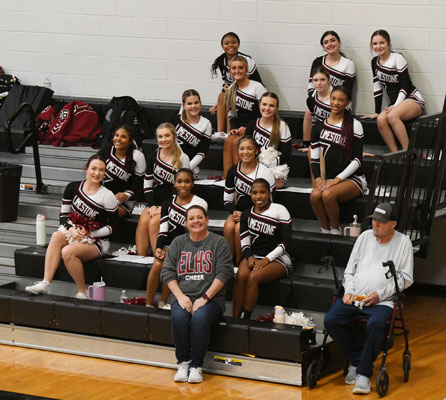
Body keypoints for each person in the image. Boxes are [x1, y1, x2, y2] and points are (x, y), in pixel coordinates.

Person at [324, 202, 413, 395]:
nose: (375, 224)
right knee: (331, 320)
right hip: (356, 297)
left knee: (375, 324)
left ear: (393, 224)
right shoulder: (364, 237)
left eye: (381, 222)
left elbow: (406, 278)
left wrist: (380, 295)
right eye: (373, 220)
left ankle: (363, 373)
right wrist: (348, 291)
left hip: (383, 301)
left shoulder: (404, 242)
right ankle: (358, 360)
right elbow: (349, 270)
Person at [25, 155, 119, 298]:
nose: (97, 173)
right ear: (86, 169)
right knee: (56, 236)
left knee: (67, 252)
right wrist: (71, 229)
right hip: (74, 233)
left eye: (101, 170)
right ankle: (46, 283)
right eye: (93, 169)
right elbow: (63, 216)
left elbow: (114, 226)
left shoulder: (107, 196)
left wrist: (90, 234)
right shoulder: (72, 187)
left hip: (97, 241)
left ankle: (82, 292)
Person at [160, 205, 233, 384]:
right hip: (183, 296)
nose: (196, 221)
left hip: (211, 299)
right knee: (179, 317)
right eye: (191, 218)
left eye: (200, 217)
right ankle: (183, 362)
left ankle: (196, 366)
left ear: (207, 220)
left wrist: (205, 298)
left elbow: (224, 273)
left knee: (199, 319)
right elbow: (167, 272)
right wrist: (180, 296)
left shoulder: (219, 242)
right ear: (186, 223)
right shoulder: (178, 242)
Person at [145, 169, 208, 309]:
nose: (183, 185)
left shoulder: (200, 203)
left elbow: (196, 232)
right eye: (179, 181)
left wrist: (172, 251)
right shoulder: (168, 203)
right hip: (169, 246)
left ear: (192, 184)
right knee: (157, 264)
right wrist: (158, 248)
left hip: (191, 247)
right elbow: (163, 230)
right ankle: (148, 305)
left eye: (187, 181)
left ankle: (163, 301)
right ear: (174, 184)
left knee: (172, 264)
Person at [310, 87, 368, 235]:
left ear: (347, 103)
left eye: (341, 100)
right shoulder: (318, 127)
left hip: (353, 178)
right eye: (333, 98)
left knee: (327, 194)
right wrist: (318, 178)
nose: (336, 103)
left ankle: (335, 230)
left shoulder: (354, 125)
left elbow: (357, 160)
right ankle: (325, 229)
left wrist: (337, 180)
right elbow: (315, 159)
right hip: (329, 179)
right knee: (315, 195)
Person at [233, 179, 292, 319]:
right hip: (254, 255)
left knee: (253, 277)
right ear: (250, 194)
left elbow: (286, 242)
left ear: (269, 193)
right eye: (254, 193)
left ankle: (245, 318)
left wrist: (267, 259)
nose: (258, 196)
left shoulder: (280, 210)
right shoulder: (246, 214)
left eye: (262, 192)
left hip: (278, 258)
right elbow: (244, 240)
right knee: (240, 276)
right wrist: (249, 257)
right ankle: (235, 319)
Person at [362, 30, 424, 152]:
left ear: (388, 43)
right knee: (381, 119)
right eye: (375, 44)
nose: (378, 46)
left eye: (382, 43)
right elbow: (377, 88)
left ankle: (409, 154)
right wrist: (377, 111)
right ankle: (395, 154)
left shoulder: (397, 58)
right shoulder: (374, 62)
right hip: (395, 104)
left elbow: (405, 85)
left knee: (392, 116)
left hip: (412, 98)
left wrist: (395, 106)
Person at [135, 123, 190, 256]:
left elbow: (184, 189)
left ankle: (158, 259)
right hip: (156, 200)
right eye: (160, 137)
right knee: (143, 221)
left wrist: (163, 207)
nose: (163, 139)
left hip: (175, 202)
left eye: (167, 136)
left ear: (174, 137)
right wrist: (152, 205)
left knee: (154, 222)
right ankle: (140, 258)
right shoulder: (153, 156)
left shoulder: (183, 158)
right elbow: (147, 184)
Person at [224, 136, 275, 264]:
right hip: (239, 210)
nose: (245, 152)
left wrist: (246, 216)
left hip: (259, 211)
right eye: (242, 149)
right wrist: (235, 212)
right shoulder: (233, 170)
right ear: (237, 151)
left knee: (238, 228)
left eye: (249, 148)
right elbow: (227, 199)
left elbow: (270, 203)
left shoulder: (265, 172)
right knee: (228, 226)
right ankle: (229, 262)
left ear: (256, 151)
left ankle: (240, 262)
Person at [223, 55, 267, 177]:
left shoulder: (257, 87)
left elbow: (266, 114)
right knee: (228, 141)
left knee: (238, 143)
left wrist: (248, 129)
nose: (237, 71)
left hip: (257, 128)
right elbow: (231, 113)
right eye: (234, 68)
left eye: (241, 68)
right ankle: (228, 178)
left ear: (246, 69)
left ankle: (241, 177)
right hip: (240, 128)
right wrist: (234, 128)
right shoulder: (231, 89)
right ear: (230, 71)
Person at [210, 32, 262, 135]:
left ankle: (229, 132)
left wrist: (232, 92)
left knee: (228, 98)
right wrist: (219, 104)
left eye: (234, 42)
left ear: (238, 44)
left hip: (248, 95)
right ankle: (220, 133)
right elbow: (227, 84)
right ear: (222, 46)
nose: (230, 45)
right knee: (222, 96)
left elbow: (256, 81)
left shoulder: (246, 60)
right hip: (233, 93)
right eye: (226, 43)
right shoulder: (221, 60)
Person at [98, 124, 146, 218]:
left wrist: (124, 195)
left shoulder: (138, 156)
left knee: (106, 216)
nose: (118, 139)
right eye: (116, 135)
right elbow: (95, 176)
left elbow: (137, 184)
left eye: (123, 137)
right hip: (103, 195)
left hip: (125, 200)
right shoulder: (106, 150)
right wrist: (108, 196)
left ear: (131, 141)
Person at [245, 92, 292, 188]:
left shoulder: (282, 126)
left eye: (271, 106)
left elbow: (286, 155)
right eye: (264, 104)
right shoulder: (251, 124)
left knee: (261, 185)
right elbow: (246, 149)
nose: (267, 108)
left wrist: (266, 163)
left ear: (276, 108)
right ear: (259, 105)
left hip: (276, 170)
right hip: (254, 166)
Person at [174, 89, 212, 176]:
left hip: (190, 167)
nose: (193, 106)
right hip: (171, 163)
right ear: (183, 106)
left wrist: (186, 169)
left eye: (196, 102)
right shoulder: (177, 118)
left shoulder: (206, 124)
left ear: (200, 103)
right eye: (189, 103)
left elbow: (202, 152)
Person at [308, 31, 356, 96]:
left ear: (339, 42)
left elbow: (348, 92)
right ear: (323, 46)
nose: (330, 44)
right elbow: (311, 86)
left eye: (333, 40)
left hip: (338, 101)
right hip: (318, 100)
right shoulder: (317, 62)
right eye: (326, 42)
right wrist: (315, 100)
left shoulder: (348, 64)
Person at [302, 66, 332, 151]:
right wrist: (313, 145)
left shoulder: (336, 96)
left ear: (329, 80)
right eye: (315, 80)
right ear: (312, 82)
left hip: (337, 133)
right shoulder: (311, 99)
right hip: (322, 133)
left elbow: (345, 123)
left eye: (322, 80)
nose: (319, 83)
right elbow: (314, 123)